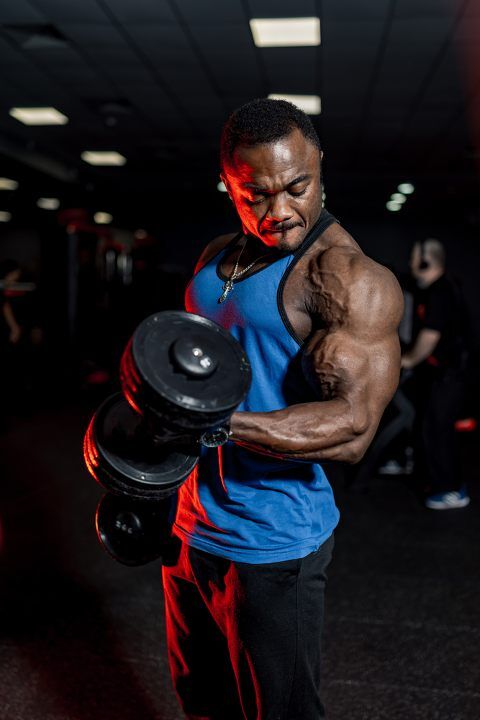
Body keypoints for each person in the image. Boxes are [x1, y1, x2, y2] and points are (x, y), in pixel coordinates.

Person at [162, 98, 403, 720]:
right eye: (255, 194)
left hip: (273, 540)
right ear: (229, 184)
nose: (279, 212)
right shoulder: (218, 255)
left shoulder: (348, 278)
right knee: (201, 702)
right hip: (191, 525)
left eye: (297, 186)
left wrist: (215, 424)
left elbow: (352, 428)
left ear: (320, 165)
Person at [401, 239, 471, 510]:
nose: (410, 264)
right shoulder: (435, 289)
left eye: (413, 259)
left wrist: (407, 360)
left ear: (425, 262)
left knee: (438, 430)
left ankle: (451, 489)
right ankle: (443, 482)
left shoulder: (440, 291)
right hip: (443, 373)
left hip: (452, 374)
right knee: (431, 426)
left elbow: (430, 337)